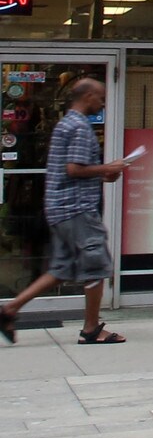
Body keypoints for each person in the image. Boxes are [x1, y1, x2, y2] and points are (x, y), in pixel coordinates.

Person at [0, 78, 129, 345]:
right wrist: (106, 169)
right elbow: (74, 169)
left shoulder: (65, 124)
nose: (103, 103)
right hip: (77, 209)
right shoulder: (80, 127)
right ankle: (91, 329)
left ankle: (9, 309)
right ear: (88, 96)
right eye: (101, 97)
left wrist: (103, 175)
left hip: (60, 208)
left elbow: (72, 170)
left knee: (62, 268)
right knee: (97, 266)